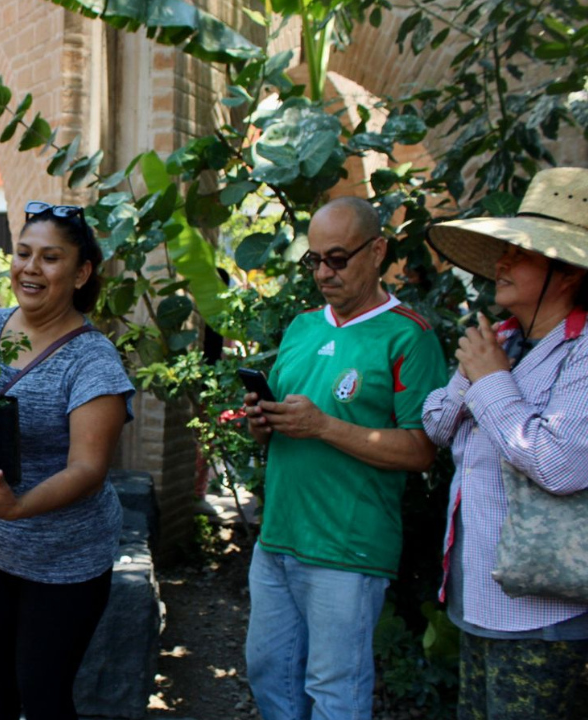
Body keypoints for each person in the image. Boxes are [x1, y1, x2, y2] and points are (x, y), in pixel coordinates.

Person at [240, 197, 448, 720]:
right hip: (279, 537)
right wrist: (262, 425)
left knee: (334, 692)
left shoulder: (409, 336)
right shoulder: (303, 328)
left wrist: (324, 426)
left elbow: (422, 450)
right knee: (270, 675)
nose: (323, 273)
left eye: (337, 258)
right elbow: (277, 439)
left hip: (348, 549)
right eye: (314, 261)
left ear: (377, 250)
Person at [0, 201, 134, 720]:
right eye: (22, 253)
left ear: (82, 272)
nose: (29, 268)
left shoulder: (92, 360)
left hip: (65, 559)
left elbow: (87, 471)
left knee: (42, 691)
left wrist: (16, 507)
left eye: (50, 258)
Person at [422, 166, 588, 719]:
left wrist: (490, 381)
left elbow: (559, 462)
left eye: (521, 253)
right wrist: (479, 373)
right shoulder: (505, 340)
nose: (502, 262)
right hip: (477, 594)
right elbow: (437, 426)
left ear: (565, 273)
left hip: (546, 616)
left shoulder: (582, 351)